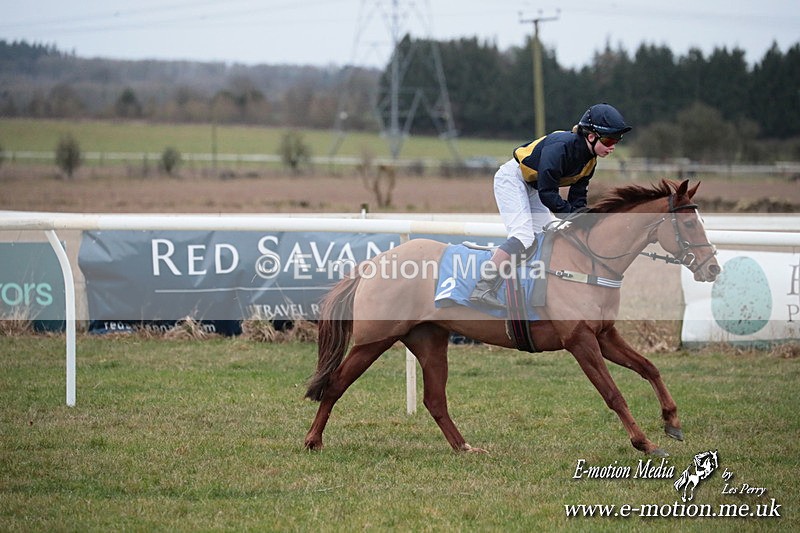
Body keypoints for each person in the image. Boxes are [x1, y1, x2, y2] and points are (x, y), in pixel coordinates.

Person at [469, 103, 631, 308]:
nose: (612, 147)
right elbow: (548, 194)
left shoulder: (590, 161)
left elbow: (577, 199)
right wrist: (574, 217)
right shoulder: (560, 147)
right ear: (591, 136)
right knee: (523, 236)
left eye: (617, 141)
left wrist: (586, 219)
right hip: (513, 180)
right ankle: (483, 286)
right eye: (609, 140)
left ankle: (533, 286)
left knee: (549, 233)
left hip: (534, 187)